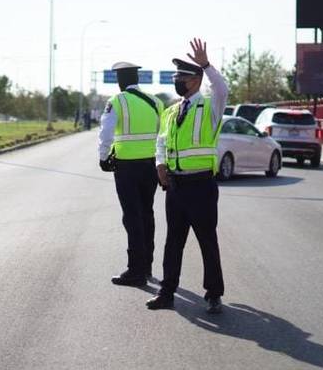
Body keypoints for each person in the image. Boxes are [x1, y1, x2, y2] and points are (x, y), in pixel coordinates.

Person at [146, 38, 228, 314]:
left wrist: (206, 64)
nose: (176, 80)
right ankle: (167, 292)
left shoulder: (211, 106)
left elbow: (222, 87)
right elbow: (161, 141)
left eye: (180, 76)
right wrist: (160, 164)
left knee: (207, 240)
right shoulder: (170, 111)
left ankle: (214, 294)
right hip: (176, 186)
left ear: (195, 80)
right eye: (175, 76)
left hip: (201, 185)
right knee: (173, 241)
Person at [98, 61, 164, 287]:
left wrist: (103, 157)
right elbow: (161, 135)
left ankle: (135, 270)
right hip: (151, 165)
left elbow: (106, 132)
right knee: (147, 214)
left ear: (120, 81)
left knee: (132, 216)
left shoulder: (117, 101)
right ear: (136, 79)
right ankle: (146, 266)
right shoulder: (156, 102)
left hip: (127, 167)